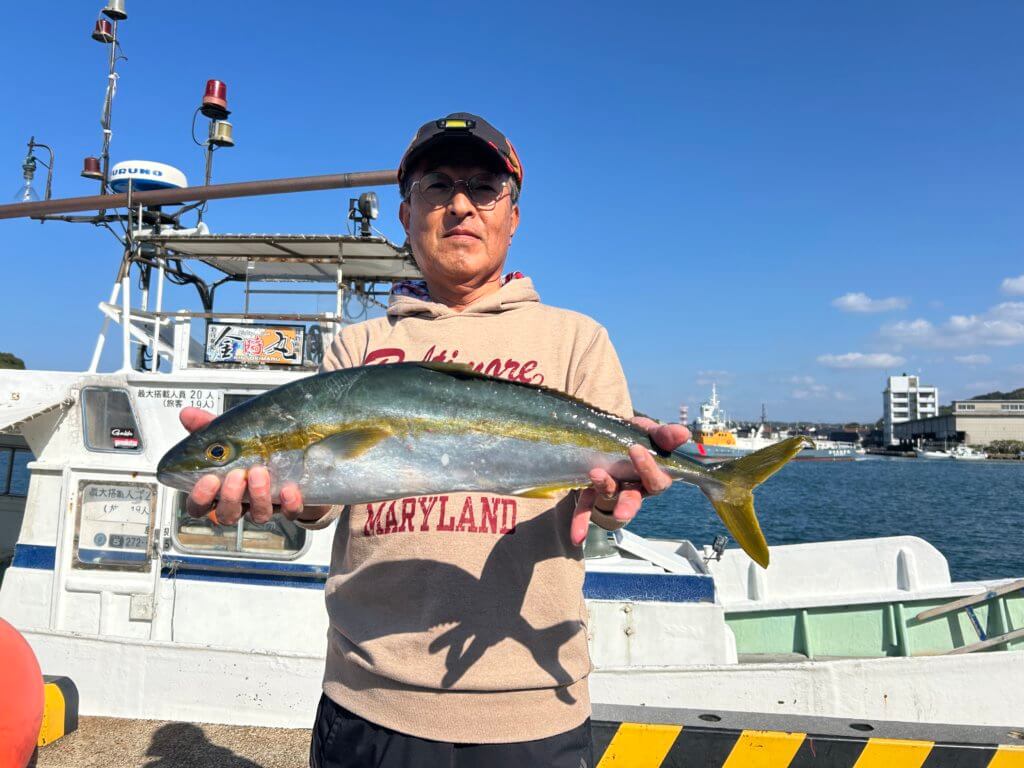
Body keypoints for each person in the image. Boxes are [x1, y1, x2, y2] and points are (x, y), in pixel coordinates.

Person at [181, 113, 690, 768]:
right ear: (405, 212)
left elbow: (600, 496)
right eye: (438, 186)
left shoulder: (576, 339)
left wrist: (623, 476)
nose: (460, 205)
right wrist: (278, 493)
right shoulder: (357, 345)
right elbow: (322, 499)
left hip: (532, 702)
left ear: (513, 215)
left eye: (483, 187)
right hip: (371, 700)